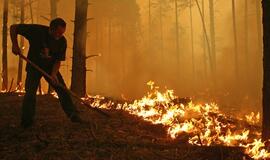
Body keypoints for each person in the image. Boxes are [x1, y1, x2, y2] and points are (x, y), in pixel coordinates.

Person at [10, 18, 82, 128]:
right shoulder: (37, 31)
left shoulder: (62, 41)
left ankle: (73, 115)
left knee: (62, 89)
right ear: (51, 28)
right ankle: (27, 122)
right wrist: (15, 45)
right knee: (30, 93)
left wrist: (53, 74)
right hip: (34, 66)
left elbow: (58, 60)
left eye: (62, 33)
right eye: (57, 32)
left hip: (50, 68)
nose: (59, 36)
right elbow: (14, 27)